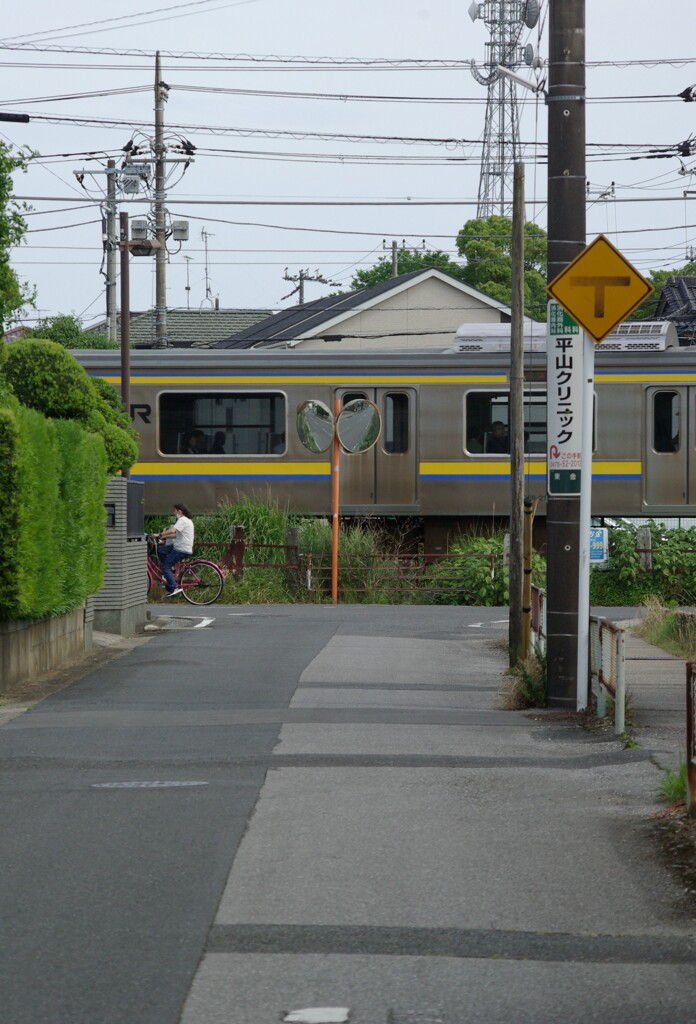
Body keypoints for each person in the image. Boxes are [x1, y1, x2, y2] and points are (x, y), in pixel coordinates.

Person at [152, 503, 195, 596]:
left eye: (174, 511)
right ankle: (169, 574)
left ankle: (174, 587)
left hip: (181, 549)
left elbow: (172, 530)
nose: (173, 512)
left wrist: (159, 534)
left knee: (165, 566)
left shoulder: (182, 520)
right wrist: (163, 537)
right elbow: (175, 535)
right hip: (179, 546)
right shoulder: (187, 520)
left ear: (179, 511)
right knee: (160, 550)